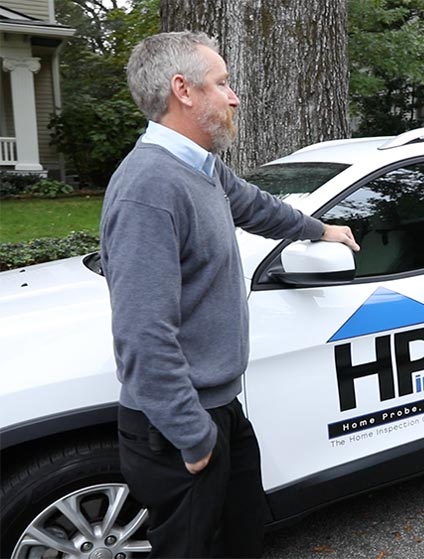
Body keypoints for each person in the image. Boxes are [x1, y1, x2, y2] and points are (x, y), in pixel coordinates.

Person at [100, 31, 359, 557]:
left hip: (218, 409)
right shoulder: (149, 187)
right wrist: (193, 437)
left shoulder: (202, 168)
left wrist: (320, 230)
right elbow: (143, 335)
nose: (235, 96)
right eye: (222, 82)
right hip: (179, 427)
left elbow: (258, 206)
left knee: (241, 537)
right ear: (184, 91)